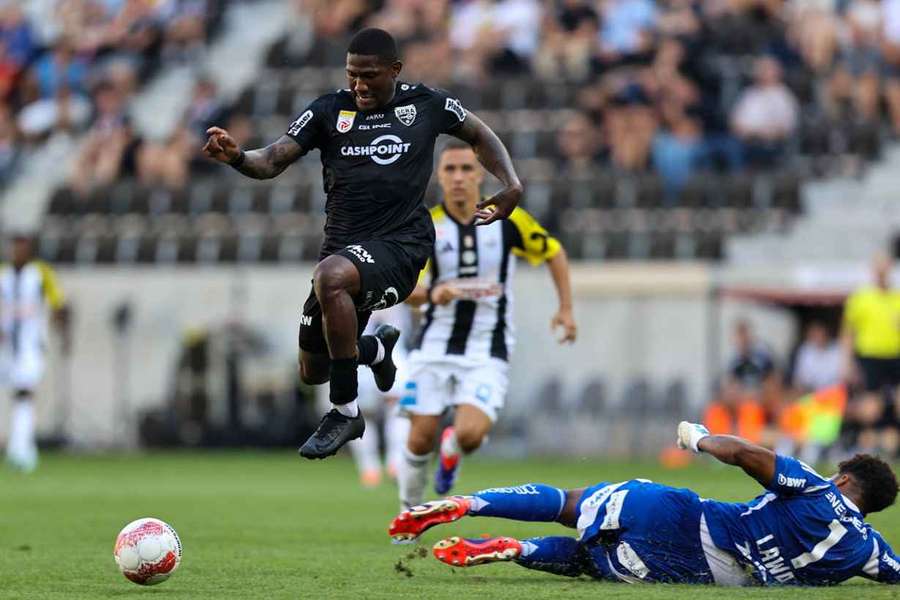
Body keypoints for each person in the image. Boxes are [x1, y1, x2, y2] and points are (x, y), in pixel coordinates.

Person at [202, 28, 523, 460]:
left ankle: (345, 412)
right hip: (344, 250)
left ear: (395, 71)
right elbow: (274, 158)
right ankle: (375, 349)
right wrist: (238, 157)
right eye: (352, 75)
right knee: (312, 369)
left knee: (330, 279)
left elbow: (481, 135)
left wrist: (512, 185)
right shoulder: (329, 111)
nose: (359, 85)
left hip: (401, 247)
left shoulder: (427, 104)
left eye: (369, 76)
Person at [388, 422, 900, 587]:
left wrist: (697, 439)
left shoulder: (818, 488)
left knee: (569, 503)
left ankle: (468, 502)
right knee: (590, 561)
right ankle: (516, 548)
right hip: (687, 570)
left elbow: (748, 454)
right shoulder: (868, 552)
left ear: (846, 478)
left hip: (681, 515)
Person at [398, 140, 576, 509]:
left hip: (487, 347)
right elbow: (403, 287)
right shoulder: (426, 226)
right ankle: (408, 514)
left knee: (471, 434)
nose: (459, 177)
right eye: (450, 170)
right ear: (440, 178)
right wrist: (434, 293)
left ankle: (453, 448)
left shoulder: (508, 220)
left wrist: (566, 310)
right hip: (434, 344)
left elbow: (553, 252)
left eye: (467, 169)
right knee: (419, 438)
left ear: (481, 175)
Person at [2, 234, 68, 471]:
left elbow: (58, 304)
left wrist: (64, 335)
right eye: (14, 247)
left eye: (21, 247)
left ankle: (22, 450)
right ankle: (18, 448)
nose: (17, 251)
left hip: (30, 346)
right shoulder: (3, 274)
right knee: (17, 396)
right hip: (5, 346)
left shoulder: (41, 273)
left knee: (24, 394)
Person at [841, 254, 900, 455]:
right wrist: (847, 362)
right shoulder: (861, 298)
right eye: (879, 266)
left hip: (895, 356)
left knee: (896, 405)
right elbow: (849, 333)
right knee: (871, 407)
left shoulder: (897, 298)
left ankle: (889, 448)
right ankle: (868, 449)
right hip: (870, 357)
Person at [348, 303, 412, 487]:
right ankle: (395, 463)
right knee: (399, 410)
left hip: (360, 357)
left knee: (361, 415)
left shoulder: (351, 283)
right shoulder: (399, 280)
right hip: (394, 357)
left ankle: (370, 469)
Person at [705, 319, 782, 445]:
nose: (740, 341)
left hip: (759, 399)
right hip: (742, 400)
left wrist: (758, 395)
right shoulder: (735, 361)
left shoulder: (762, 358)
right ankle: (717, 443)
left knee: (750, 409)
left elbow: (772, 383)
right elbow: (730, 385)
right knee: (716, 409)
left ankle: (749, 444)